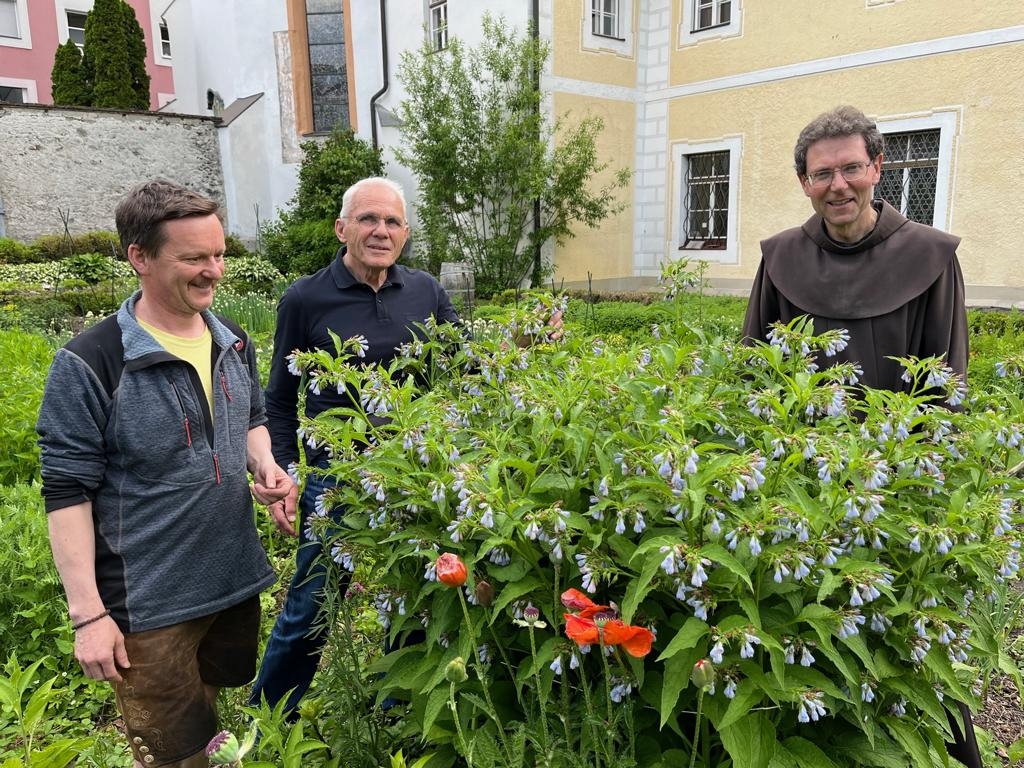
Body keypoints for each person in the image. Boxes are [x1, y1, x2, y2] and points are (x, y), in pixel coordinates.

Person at [251, 176, 561, 715]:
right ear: (341, 228)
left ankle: (396, 711)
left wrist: (522, 343)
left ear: (406, 233)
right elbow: (279, 398)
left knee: (412, 598)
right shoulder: (305, 297)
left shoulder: (425, 291)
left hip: (414, 470)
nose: (380, 230)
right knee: (312, 600)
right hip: (339, 476)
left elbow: (468, 363)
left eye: (392, 221)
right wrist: (286, 475)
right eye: (368, 219)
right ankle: (269, 717)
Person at [742, 105, 978, 768]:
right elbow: (753, 373)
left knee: (905, 643)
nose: (838, 184)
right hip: (800, 492)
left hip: (894, 493)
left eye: (852, 168)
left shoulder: (930, 257)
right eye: (822, 174)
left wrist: (921, 482)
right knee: (804, 639)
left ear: (877, 168)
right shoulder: (781, 259)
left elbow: (945, 386)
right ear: (804, 182)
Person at [37, 180, 293, 768]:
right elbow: (67, 491)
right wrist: (88, 617)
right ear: (141, 257)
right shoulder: (92, 362)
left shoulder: (231, 339)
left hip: (230, 578)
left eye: (219, 254)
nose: (214, 272)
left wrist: (267, 467)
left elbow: (251, 418)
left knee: (205, 723)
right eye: (194, 258)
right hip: (148, 603)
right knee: (173, 755)